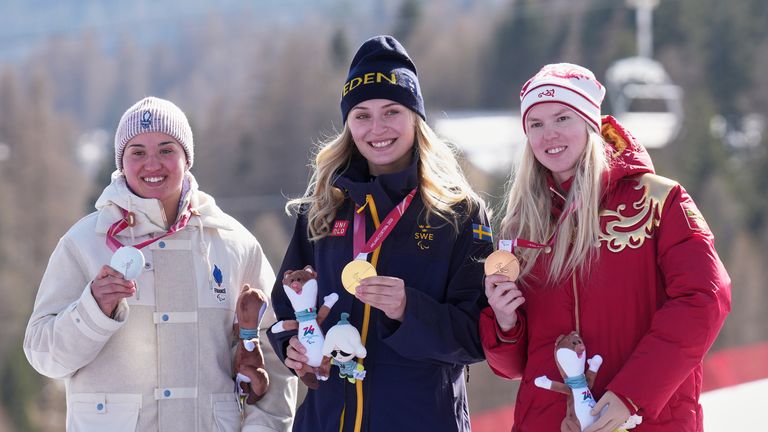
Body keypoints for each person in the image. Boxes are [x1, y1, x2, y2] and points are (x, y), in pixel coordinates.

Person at [479, 63, 731, 432]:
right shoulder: (520, 225)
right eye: (536, 124)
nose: (549, 135)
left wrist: (631, 395)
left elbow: (704, 298)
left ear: (590, 123)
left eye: (562, 118)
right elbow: (513, 366)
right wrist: (505, 322)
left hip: (645, 420)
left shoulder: (658, 200)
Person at [24, 97, 297, 431]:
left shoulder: (233, 242)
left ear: (187, 159)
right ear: (121, 163)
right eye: (137, 152)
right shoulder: (83, 243)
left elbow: (276, 352)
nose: (152, 163)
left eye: (167, 150)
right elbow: (43, 356)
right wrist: (92, 310)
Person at [266, 35, 493, 432]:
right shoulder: (322, 207)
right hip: (326, 421)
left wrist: (410, 310)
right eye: (362, 115)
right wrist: (294, 349)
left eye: (391, 111)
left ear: (415, 118)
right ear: (348, 124)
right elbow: (284, 309)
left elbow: (477, 338)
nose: (377, 128)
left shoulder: (458, 213)